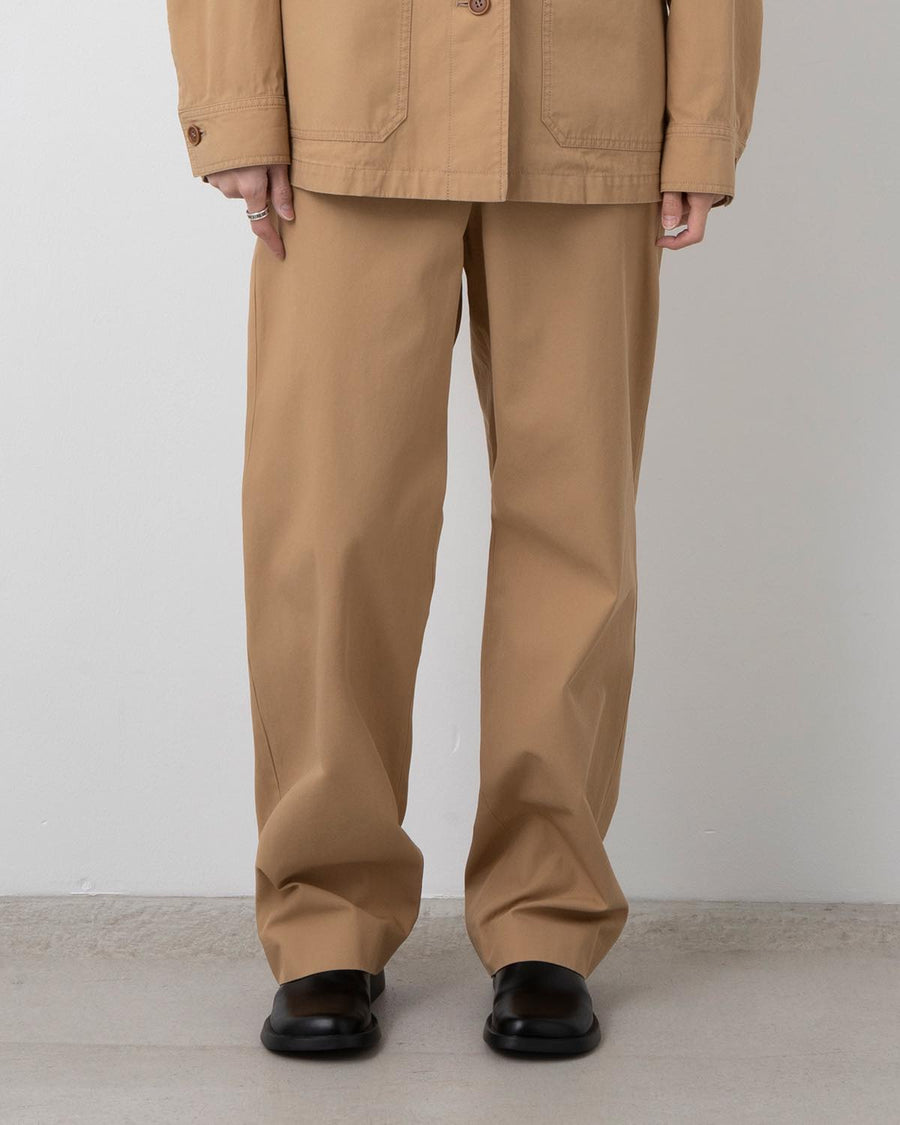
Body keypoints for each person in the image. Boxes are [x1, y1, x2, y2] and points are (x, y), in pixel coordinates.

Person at [166, 0, 762, 1057]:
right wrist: (239, 106)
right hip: (343, 100)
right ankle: (325, 918)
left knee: (576, 534)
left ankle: (547, 919)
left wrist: (703, 118)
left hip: (589, 98)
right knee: (329, 528)